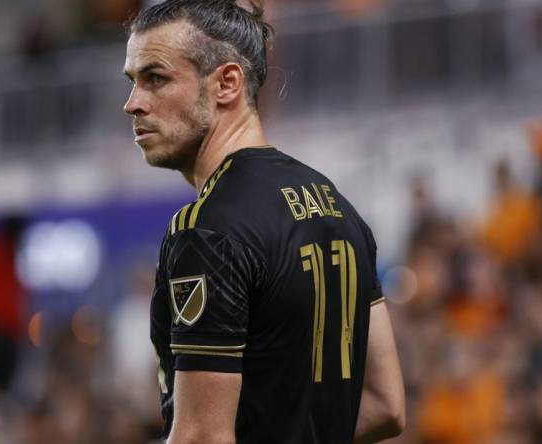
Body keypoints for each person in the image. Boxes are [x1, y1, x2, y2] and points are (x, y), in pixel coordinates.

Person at [122, 1, 404, 442]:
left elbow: (202, 437)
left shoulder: (207, 231)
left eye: (155, 78)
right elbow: (386, 407)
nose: (133, 104)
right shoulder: (339, 208)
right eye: (133, 82)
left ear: (227, 83)